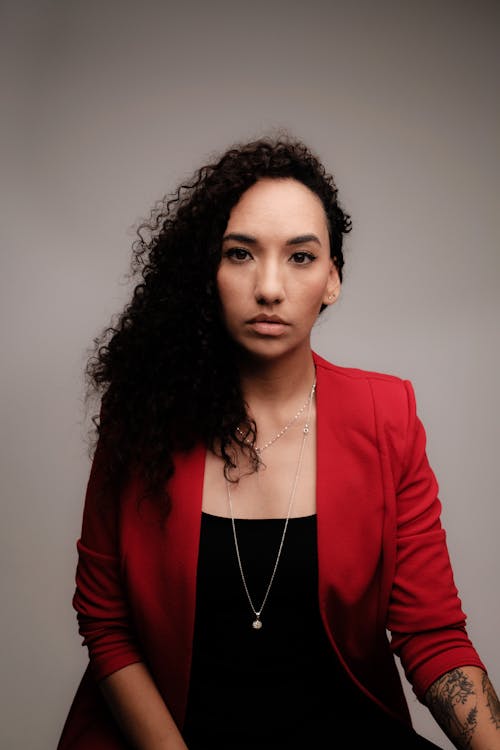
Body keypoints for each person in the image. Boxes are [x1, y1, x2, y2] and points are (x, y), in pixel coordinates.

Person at [56, 135, 500, 750]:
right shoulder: (140, 417)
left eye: (300, 257)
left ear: (332, 280)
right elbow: (107, 624)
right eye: (240, 254)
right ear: (206, 274)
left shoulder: (386, 414)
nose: (269, 287)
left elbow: (432, 633)